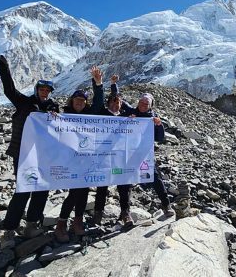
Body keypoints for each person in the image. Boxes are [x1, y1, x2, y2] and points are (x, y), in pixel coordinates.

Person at [0, 52, 59, 240]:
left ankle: (32, 224)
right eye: (42, 89)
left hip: (44, 155)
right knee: (24, 188)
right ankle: (10, 227)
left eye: (47, 90)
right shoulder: (25, 102)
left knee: (42, 188)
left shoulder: (53, 108)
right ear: (37, 90)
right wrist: (4, 68)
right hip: (24, 153)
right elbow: (9, 90)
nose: (44, 92)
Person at [54, 66, 104, 243]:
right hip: (70, 161)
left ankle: (77, 221)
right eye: (77, 99)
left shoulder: (89, 114)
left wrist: (98, 84)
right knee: (74, 193)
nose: (80, 102)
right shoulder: (64, 115)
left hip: (86, 160)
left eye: (83, 100)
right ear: (72, 100)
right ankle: (61, 224)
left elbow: (99, 103)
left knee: (83, 192)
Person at [117, 86, 175, 217]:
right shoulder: (130, 112)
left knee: (155, 179)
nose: (143, 105)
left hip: (144, 156)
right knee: (124, 183)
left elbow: (160, 138)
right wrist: (127, 120)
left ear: (150, 106)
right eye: (141, 102)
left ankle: (166, 205)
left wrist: (159, 125)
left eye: (146, 103)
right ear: (138, 102)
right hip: (127, 155)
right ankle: (125, 214)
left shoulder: (153, 119)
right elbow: (117, 127)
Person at [93, 75, 133, 227]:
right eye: (113, 102)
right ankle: (98, 213)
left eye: (118, 103)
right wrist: (101, 84)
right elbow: (98, 98)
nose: (116, 105)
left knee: (124, 185)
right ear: (108, 103)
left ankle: (125, 213)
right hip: (103, 157)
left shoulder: (124, 116)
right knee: (102, 186)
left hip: (120, 157)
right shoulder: (103, 114)